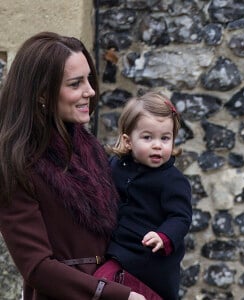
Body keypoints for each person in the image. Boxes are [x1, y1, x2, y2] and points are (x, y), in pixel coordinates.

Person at [0, 31, 145, 300]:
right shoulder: (16, 166)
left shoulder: (91, 151)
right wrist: (113, 295)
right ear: (43, 94)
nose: (90, 91)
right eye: (76, 83)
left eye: (88, 79)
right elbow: (37, 267)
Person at [94, 91, 193, 299]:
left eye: (165, 138)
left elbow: (180, 217)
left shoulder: (172, 180)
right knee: (98, 283)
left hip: (150, 259)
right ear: (128, 141)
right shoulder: (115, 166)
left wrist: (163, 236)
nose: (158, 145)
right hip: (118, 249)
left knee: (105, 282)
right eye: (148, 137)